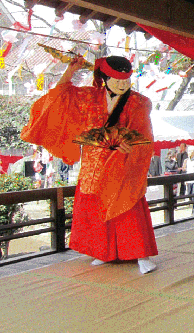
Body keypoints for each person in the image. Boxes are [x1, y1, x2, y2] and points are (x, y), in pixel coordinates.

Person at [21, 55, 158, 274]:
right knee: (95, 209)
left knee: (127, 208)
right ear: (104, 78)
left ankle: (141, 254)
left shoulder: (138, 101)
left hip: (122, 163)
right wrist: (70, 70)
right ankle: (101, 252)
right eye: (116, 80)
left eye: (126, 80)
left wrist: (130, 144)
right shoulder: (89, 96)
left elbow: (144, 133)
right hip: (93, 164)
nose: (122, 85)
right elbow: (61, 94)